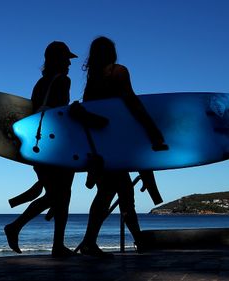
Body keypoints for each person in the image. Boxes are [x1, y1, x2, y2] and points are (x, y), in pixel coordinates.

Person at [77, 36, 168, 257]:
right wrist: (153, 132)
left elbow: (93, 112)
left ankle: (133, 240)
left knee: (113, 193)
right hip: (116, 145)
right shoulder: (118, 72)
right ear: (112, 52)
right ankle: (94, 242)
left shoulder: (92, 80)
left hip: (101, 145)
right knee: (114, 194)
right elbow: (132, 103)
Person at [4, 41, 77, 258]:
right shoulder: (63, 80)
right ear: (58, 60)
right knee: (60, 195)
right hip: (57, 144)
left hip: (37, 145)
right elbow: (59, 114)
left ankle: (55, 245)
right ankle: (17, 227)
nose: (69, 64)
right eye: (66, 59)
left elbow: (36, 113)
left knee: (58, 195)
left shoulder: (39, 83)